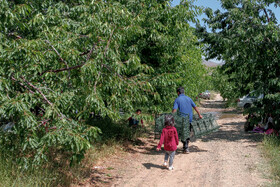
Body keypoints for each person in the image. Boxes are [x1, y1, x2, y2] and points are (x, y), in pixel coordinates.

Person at [172, 87, 203, 154]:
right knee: (187, 132)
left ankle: (185, 147)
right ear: (184, 92)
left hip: (182, 120)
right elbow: (195, 107)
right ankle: (185, 147)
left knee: (182, 133)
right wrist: (199, 114)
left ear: (178, 93)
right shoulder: (189, 98)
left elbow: (174, 110)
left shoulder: (177, 99)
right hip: (189, 119)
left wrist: (172, 117)